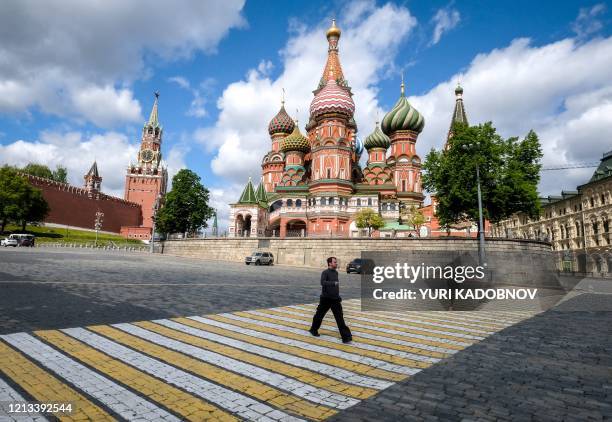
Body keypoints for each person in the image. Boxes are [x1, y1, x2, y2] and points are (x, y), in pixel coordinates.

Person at [309, 256, 352, 343]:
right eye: (335, 262)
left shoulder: (336, 273)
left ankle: (346, 337)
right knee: (319, 316)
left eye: (336, 262)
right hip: (326, 299)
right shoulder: (325, 272)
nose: (336, 263)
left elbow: (336, 287)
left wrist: (338, 296)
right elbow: (322, 282)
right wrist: (333, 283)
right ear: (330, 263)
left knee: (340, 318)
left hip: (335, 299)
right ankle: (313, 329)